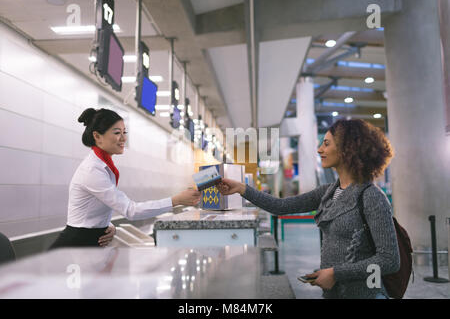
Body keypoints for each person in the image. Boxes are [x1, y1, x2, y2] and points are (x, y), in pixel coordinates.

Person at [217, 119, 400, 299]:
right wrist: (242, 189)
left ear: (347, 149)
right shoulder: (328, 191)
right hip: (334, 294)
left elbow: (389, 260)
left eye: (326, 144)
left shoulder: (372, 197)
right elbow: (281, 206)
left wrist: (336, 273)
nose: (320, 149)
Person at [50, 108, 201, 249]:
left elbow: (92, 212)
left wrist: (108, 225)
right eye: (117, 133)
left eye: (124, 132)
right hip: (75, 244)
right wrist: (176, 200)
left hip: (92, 240)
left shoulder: (103, 166)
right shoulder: (92, 170)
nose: (123, 138)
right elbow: (131, 210)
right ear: (97, 136)